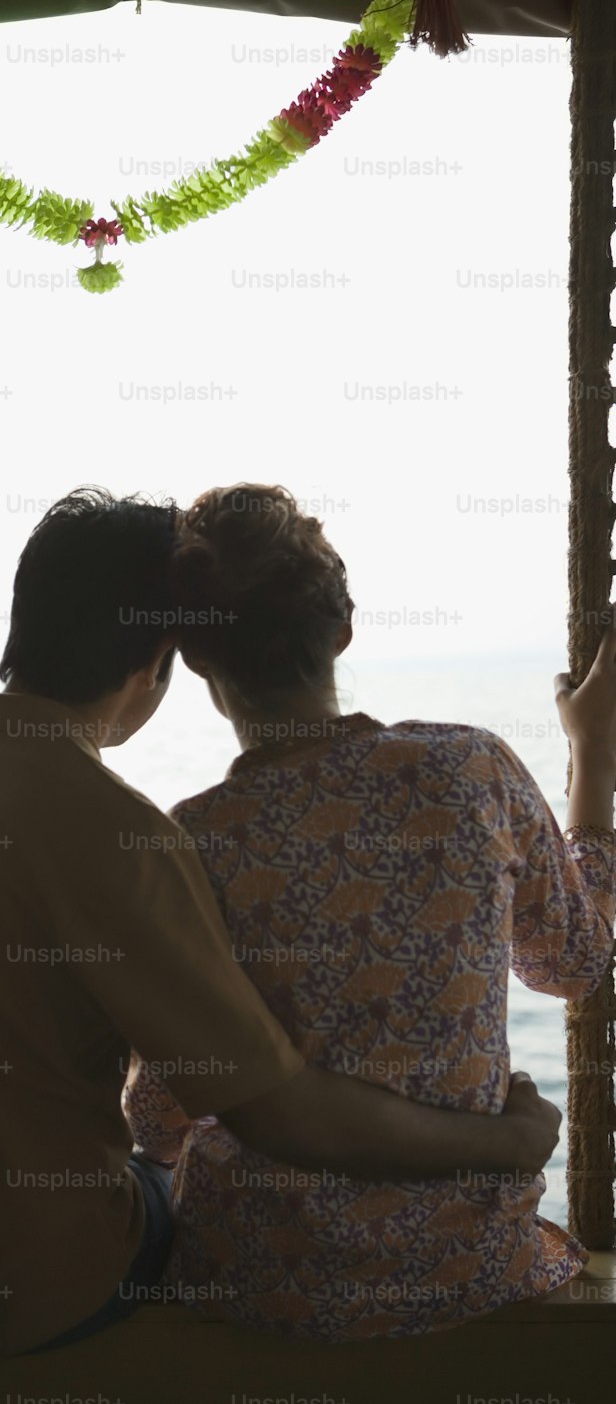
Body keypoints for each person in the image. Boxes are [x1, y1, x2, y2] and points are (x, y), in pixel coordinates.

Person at [0, 487, 562, 1368]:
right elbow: (280, 1115)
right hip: (6, 1293)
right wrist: (508, 1143)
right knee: (173, 1185)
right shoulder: (110, 826)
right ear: (160, 655)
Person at [123, 482, 615, 1343]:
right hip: (470, 1264)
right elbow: (571, 966)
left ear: (196, 658)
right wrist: (595, 757)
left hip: (258, 1279)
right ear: (342, 629)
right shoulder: (472, 770)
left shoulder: (193, 840)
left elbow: (159, 1114)